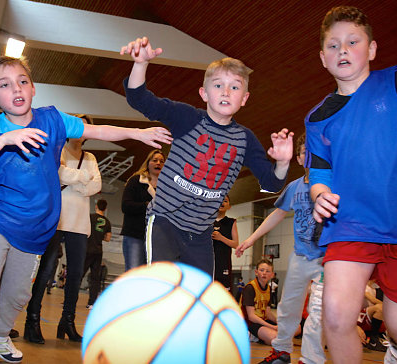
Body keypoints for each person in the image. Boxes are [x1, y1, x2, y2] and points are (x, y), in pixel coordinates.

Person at [0, 56, 171, 364]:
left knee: (17, 295)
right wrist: (5, 139)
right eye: (4, 84)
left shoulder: (52, 119)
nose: (16, 88)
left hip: (35, 224)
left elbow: (97, 131)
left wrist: (137, 134)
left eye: (22, 81)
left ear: (33, 88)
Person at [305, 6, 397, 364]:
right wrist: (319, 195)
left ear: (372, 49)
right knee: (335, 315)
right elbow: (320, 173)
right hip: (350, 224)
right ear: (323, 58)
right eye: (333, 45)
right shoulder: (318, 118)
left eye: (352, 41)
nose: (342, 50)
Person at [120, 36, 293, 277]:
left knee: (200, 298)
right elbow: (140, 100)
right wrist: (140, 64)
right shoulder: (187, 118)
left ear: (244, 98)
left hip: (201, 233)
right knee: (163, 285)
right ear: (204, 93)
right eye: (218, 85)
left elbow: (271, 184)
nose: (226, 91)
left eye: (235, 87)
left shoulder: (245, 139)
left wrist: (283, 162)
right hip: (165, 222)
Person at [237, 133, 325, 364]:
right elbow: (277, 215)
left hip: (325, 259)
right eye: (306, 151)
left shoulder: (333, 182)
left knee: (317, 311)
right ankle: (282, 351)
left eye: (316, 151)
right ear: (298, 158)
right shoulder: (294, 187)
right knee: (287, 307)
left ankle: (311, 359)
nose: (310, 156)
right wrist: (251, 239)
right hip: (299, 256)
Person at [25, 113, 102, 344]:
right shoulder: (57, 150)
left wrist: (75, 182)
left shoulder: (91, 157)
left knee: (76, 274)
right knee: (47, 269)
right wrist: (82, 178)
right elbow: (56, 174)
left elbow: (96, 185)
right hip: (56, 217)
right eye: (79, 126)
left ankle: (67, 322)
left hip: (79, 221)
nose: (81, 132)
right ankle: (32, 319)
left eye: (86, 128)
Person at [121, 149, 165, 271]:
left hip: (157, 238)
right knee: (133, 273)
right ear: (148, 163)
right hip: (135, 234)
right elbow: (125, 205)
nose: (158, 163)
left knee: (152, 276)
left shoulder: (167, 186)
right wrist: (147, 206)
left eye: (162, 161)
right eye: (154, 160)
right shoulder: (136, 181)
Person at [239, 259, 278, 345]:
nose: (264, 273)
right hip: (250, 323)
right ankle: (252, 335)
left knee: (296, 328)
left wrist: (280, 322)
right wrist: (272, 327)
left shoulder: (268, 288)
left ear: (272, 275)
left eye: (267, 271)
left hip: (262, 320)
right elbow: (251, 317)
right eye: (261, 270)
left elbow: (268, 313)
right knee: (274, 337)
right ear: (256, 272)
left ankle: (262, 335)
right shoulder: (250, 288)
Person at [83, 199, 112, 309]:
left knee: (79, 275)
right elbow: (108, 238)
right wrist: (100, 236)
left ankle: (71, 299)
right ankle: (91, 303)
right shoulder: (107, 222)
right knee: (95, 278)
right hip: (98, 251)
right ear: (105, 209)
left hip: (87, 249)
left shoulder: (90, 217)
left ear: (96, 206)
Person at [212, 195, 238, 291]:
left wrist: (221, 238)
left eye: (225, 201)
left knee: (223, 292)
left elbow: (235, 244)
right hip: (209, 262)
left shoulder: (231, 222)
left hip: (223, 263)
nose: (222, 202)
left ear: (229, 206)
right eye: (219, 200)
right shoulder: (206, 222)